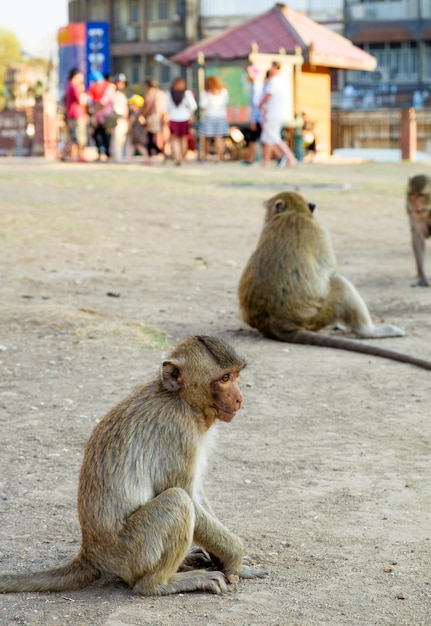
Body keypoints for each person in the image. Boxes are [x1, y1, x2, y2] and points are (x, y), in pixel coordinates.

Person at [258, 61, 297, 168]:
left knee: (274, 137)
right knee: (267, 139)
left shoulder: (275, 81)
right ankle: (265, 163)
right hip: (274, 113)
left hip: (273, 114)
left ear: (274, 68)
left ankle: (290, 157)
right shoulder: (281, 81)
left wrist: (260, 104)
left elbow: (269, 94)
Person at [164, 76, 197, 166]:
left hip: (173, 118)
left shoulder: (169, 94)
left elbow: (166, 107)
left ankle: (178, 157)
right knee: (183, 139)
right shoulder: (187, 94)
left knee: (175, 139)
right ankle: (182, 158)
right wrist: (189, 113)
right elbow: (193, 106)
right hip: (184, 118)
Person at [198, 75, 230, 162]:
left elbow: (202, 105)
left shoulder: (205, 93)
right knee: (219, 138)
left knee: (207, 138)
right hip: (221, 117)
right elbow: (226, 102)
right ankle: (219, 157)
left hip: (209, 116)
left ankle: (205, 156)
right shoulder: (224, 92)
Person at [87, 70, 114, 161]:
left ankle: (107, 154)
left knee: (105, 135)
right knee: (96, 134)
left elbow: (103, 102)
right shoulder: (94, 87)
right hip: (97, 116)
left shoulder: (108, 87)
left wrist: (95, 109)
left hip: (104, 116)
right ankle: (100, 153)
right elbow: (90, 99)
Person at [63, 68, 88, 162]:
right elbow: (81, 101)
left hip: (72, 114)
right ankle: (77, 157)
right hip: (77, 114)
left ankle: (71, 156)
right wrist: (83, 93)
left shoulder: (69, 86)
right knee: (78, 137)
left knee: (74, 136)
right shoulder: (73, 86)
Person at [242, 66, 263, 165]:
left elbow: (256, 105)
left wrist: (253, 120)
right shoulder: (255, 85)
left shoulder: (256, 87)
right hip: (258, 117)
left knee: (255, 139)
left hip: (258, 118)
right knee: (254, 139)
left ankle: (281, 156)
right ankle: (251, 159)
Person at [110, 73, 129, 163]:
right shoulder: (113, 93)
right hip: (117, 118)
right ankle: (117, 157)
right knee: (117, 138)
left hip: (122, 119)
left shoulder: (122, 94)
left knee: (121, 138)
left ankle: (119, 156)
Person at [142, 79, 164, 157]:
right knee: (152, 135)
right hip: (155, 116)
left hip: (152, 116)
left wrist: (143, 115)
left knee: (151, 136)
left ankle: (156, 151)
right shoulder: (157, 93)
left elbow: (148, 106)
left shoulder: (151, 93)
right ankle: (155, 151)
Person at [127, 94, 150, 163]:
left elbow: (131, 121)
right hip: (139, 131)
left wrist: (128, 127)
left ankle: (147, 159)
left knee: (138, 146)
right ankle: (128, 159)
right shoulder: (140, 113)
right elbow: (144, 122)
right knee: (133, 146)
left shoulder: (134, 113)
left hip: (135, 132)